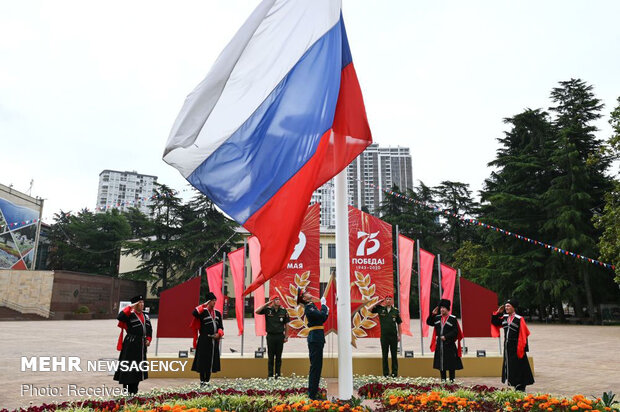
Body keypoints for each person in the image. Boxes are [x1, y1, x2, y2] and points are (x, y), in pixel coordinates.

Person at [491, 298, 534, 391]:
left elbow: (524, 334)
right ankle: (514, 384)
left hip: (517, 347)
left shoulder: (519, 319)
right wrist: (498, 312)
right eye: (505, 306)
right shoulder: (505, 317)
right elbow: (494, 322)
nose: (506, 307)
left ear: (513, 307)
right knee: (511, 367)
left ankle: (521, 387)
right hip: (507, 348)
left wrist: (522, 348)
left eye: (508, 306)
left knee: (519, 367)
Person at [113, 295, 152, 395]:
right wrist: (130, 307)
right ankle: (127, 392)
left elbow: (149, 330)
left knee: (138, 370)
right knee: (128, 369)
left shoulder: (146, 315)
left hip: (141, 346)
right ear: (134, 305)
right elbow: (120, 317)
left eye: (143, 302)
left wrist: (148, 339)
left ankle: (134, 391)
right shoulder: (129, 314)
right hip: (131, 345)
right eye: (139, 302)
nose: (142, 304)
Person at [297, 288, 328, 400]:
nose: (309, 293)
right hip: (315, 338)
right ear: (304, 298)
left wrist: (324, 310)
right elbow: (322, 317)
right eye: (306, 293)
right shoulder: (309, 308)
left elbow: (322, 317)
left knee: (317, 366)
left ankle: (313, 392)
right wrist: (324, 307)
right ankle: (312, 395)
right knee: (315, 367)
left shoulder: (312, 306)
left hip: (317, 337)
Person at [190, 292, 224, 385]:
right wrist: (204, 305)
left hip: (214, 340)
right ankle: (202, 380)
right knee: (203, 360)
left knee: (211, 360)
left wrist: (219, 334)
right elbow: (194, 313)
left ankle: (207, 380)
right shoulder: (202, 312)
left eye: (215, 301)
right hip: (204, 339)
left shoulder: (218, 313)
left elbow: (220, 326)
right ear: (208, 301)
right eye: (212, 301)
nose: (214, 302)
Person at [426, 299, 463, 382]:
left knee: (451, 364)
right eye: (441, 308)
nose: (442, 309)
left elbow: (455, 331)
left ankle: (452, 380)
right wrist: (432, 314)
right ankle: (443, 380)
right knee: (441, 364)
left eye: (444, 308)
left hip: (449, 344)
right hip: (440, 345)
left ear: (448, 309)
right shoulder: (437, 318)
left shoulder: (452, 319)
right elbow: (429, 322)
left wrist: (446, 337)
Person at [255, 295, 290, 378]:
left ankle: (278, 375)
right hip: (270, 336)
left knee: (278, 357)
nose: (278, 301)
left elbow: (287, 324)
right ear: (272, 301)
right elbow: (257, 311)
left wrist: (286, 336)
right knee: (270, 357)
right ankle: (270, 375)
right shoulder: (268, 310)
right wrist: (267, 303)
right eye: (276, 300)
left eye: (278, 299)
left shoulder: (283, 311)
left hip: (280, 336)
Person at [368, 295, 402, 377]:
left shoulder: (395, 311)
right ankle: (386, 374)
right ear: (385, 300)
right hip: (384, 336)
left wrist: (399, 335)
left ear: (392, 301)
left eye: (390, 299)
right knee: (385, 355)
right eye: (387, 299)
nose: (388, 301)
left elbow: (399, 324)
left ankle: (394, 373)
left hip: (393, 336)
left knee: (394, 355)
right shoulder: (380, 309)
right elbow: (369, 309)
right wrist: (378, 302)